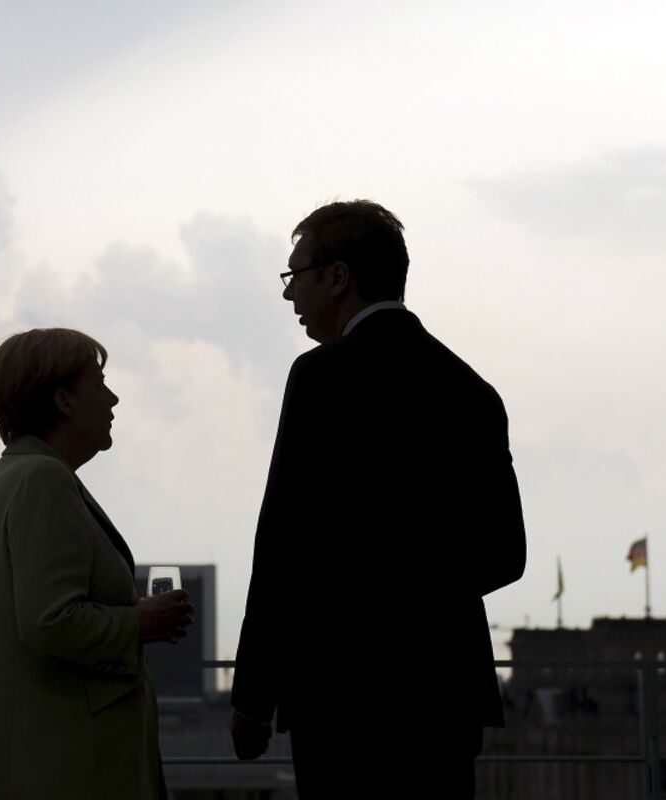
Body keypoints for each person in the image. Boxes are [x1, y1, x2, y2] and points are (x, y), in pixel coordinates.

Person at [229, 200, 527, 797]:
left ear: (338, 277)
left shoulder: (320, 377)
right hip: (445, 696)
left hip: (339, 694)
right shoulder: (473, 391)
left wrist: (252, 697)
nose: (288, 293)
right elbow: (505, 555)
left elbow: (282, 543)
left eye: (295, 275)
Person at [0, 328, 195, 800]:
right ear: (63, 400)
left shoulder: (20, 473)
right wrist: (139, 622)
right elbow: (50, 620)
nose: (113, 399)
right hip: (62, 767)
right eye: (100, 383)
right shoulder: (43, 479)